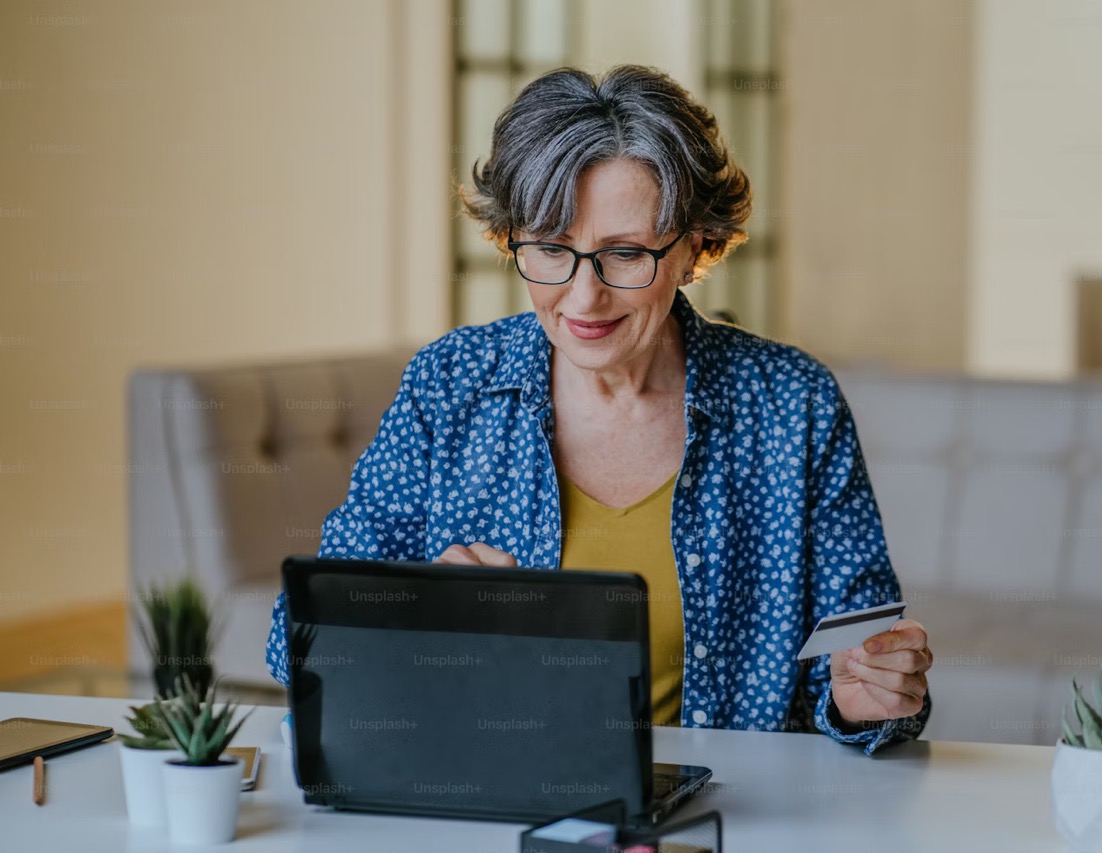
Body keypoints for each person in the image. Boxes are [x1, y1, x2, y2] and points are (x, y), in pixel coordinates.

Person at [266, 65, 932, 752]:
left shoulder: (794, 406)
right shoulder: (450, 385)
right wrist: (412, 618)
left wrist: (863, 699)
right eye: (552, 248)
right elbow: (299, 638)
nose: (583, 299)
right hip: (492, 797)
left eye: (625, 254)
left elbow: (861, 653)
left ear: (696, 245)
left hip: (730, 817)